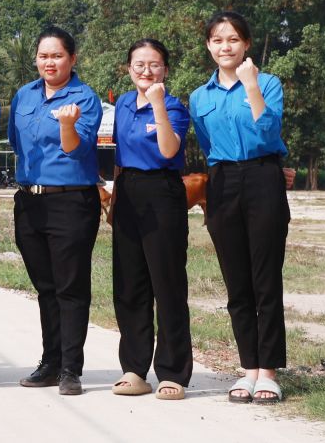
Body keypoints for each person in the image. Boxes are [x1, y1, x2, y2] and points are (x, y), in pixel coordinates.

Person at [189, 10, 288, 405]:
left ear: (246, 43)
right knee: (237, 283)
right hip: (223, 182)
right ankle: (248, 369)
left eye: (233, 39)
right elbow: (207, 144)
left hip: (263, 178)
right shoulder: (199, 97)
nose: (225, 46)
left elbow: (269, 132)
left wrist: (251, 86)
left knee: (266, 279)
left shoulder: (268, 83)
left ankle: (269, 372)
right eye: (217, 40)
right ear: (208, 46)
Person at [9, 25, 102, 396]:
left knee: (70, 287)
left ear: (72, 59)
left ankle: (70, 369)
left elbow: (78, 149)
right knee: (45, 287)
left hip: (71, 202)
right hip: (30, 202)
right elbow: (16, 142)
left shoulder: (85, 98)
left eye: (57, 56)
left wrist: (66, 124)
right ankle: (50, 362)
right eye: (43, 56)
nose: (50, 62)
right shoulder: (24, 95)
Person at [109, 38, 193, 401]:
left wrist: (157, 103)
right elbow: (119, 152)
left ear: (166, 70)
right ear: (129, 69)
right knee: (129, 284)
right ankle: (134, 368)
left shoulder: (174, 107)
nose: (146, 70)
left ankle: (173, 372)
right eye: (139, 64)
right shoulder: (123, 104)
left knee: (167, 283)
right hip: (127, 191)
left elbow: (168, 149)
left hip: (163, 192)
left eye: (154, 64)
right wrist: (114, 199)